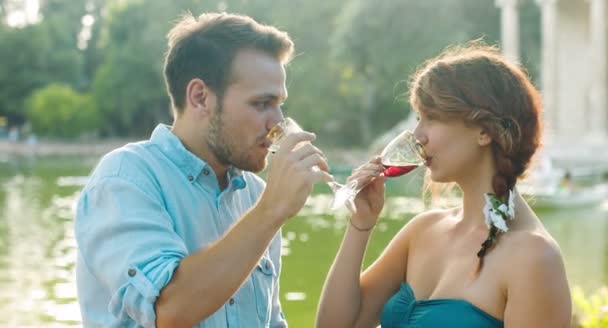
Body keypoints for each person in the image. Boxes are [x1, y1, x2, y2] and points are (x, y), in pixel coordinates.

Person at [74, 12, 332, 327]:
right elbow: (168, 310)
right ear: (200, 97)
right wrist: (271, 211)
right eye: (262, 104)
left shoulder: (255, 194)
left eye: (280, 104)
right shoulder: (125, 178)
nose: (277, 122)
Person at [316, 43, 572, 327]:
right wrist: (360, 225)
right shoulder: (422, 231)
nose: (417, 136)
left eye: (432, 118)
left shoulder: (533, 257)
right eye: (418, 119)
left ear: (485, 131)